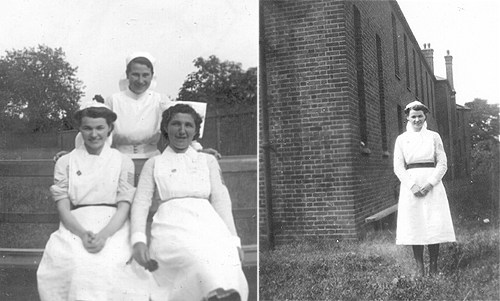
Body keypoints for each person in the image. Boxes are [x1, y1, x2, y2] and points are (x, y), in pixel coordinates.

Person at [131, 104, 248, 301]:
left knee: (224, 257)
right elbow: (141, 203)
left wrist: (234, 240)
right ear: (166, 128)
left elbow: (221, 200)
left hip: (208, 226)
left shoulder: (207, 160)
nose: (182, 130)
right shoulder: (154, 163)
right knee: (195, 258)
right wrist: (138, 240)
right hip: (171, 228)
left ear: (196, 130)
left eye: (188, 125)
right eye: (176, 124)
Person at [37, 101, 150, 300]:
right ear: (80, 129)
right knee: (77, 262)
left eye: (100, 128)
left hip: (114, 224)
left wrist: (105, 235)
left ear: (109, 129)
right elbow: (62, 206)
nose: (94, 134)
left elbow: (124, 205)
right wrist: (82, 234)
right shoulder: (66, 161)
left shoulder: (122, 161)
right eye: (87, 128)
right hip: (75, 224)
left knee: (109, 262)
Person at [393, 100, 456, 277]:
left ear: (425, 116)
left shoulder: (434, 137)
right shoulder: (401, 140)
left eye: (420, 116)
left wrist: (430, 183)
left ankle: (434, 266)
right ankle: (419, 267)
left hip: (432, 185)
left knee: (433, 223)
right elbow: (398, 167)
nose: (417, 120)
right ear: (407, 117)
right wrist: (412, 186)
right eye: (413, 116)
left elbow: (442, 163)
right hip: (411, 186)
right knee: (416, 224)